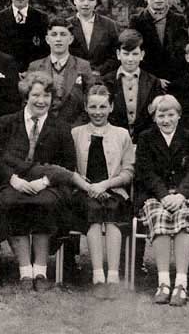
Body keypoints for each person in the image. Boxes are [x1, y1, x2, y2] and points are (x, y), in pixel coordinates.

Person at [0, 71, 81, 292]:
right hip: (14, 182)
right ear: (26, 95)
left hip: (47, 184)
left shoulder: (61, 126)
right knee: (12, 202)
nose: (41, 101)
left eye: (47, 96)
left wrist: (44, 181)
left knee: (45, 204)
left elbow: (68, 164)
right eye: (36, 95)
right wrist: (13, 179)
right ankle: (25, 271)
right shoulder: (8, 122)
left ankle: (40, 270)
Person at [134, 95, 189, 307]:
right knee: (160, 217)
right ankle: (163, 282)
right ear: (154, 117)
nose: (166, 119)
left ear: (179, 116)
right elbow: (146, 172)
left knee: (184, 217)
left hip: (185, 195)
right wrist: (164, 196)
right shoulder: (146, 138)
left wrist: (180, 195)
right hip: (155, 195)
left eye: (171, 114)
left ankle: (181, 283)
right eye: (160, 115)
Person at [70, 84, 134, 299]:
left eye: (103, 106)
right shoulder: (76, 133)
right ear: (86, 108)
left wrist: (105, 185)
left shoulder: (122, 134)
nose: (98, 111)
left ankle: (113, 276)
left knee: (112, 215)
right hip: (84, 191)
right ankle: (98, 276)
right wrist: (89, 187)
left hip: (113, 189)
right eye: (93, 107)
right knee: (94, 215)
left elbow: (128, 171)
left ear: (111, 107)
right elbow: (70, 170)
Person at [28, 16, 94, 127]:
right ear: (48, 39)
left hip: (74, 128)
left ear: (71, 39)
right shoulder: (35, 67)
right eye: (54, 35)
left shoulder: (83, 66)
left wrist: (78, 126)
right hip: (43, 129)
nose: (58, 39)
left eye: (63, 35)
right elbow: (27, 102)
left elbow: (90, 100)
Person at [128, 0, 189, 85]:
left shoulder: (179, 20)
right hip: (146, 83)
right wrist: (155, 81)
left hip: (174, 82)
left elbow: (182, 55)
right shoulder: (136, 21)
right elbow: (133, 56)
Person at [104, 29, 164, 141]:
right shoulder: (106, 81)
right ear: (118, 54)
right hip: (114, 139)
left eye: (135, 54)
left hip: (145, 140)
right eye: (126, 54)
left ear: (142, 55)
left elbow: (157, 115)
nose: (130, 59)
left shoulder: (153, 82)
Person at [0, 0, 50, 73]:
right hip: (6, 72)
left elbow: (45, 50)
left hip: (34, 74)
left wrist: (30, 71)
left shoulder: (41, 18)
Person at [67, 0, 119, 76]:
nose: (86, 3)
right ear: (74, 0)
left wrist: (99, 71)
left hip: (102, 79)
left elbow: (115, 55)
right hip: (72, 78)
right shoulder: (66, 26)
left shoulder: (109, 25)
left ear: (96, 2)